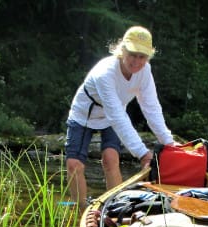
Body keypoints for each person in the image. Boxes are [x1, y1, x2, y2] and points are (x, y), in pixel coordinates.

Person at [64, 26, 175, 207]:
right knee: (74, 165)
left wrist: (169, 144)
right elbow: (116, 116)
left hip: (112, 117)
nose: (136, 61)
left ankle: (113, 206)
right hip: (84, 115)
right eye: (132, 54)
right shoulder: (105, 73)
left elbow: (151, 108)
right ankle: (81, 209)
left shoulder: (145, 71)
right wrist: (143, 154)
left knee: (110, 158)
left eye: (142, 56)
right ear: (122, 49)